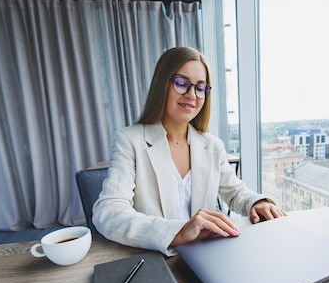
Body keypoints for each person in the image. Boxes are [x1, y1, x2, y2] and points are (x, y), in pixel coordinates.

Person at [93, 46, 285, 255]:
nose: (191, 94)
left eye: (200, 87)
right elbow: (108, 213)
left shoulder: (213, 146)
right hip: (153, 257)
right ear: (162, 85)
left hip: (205, 255)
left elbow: (235, 192)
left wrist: (257, 202)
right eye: (181, 83)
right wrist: (179, 232)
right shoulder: (130, 140)